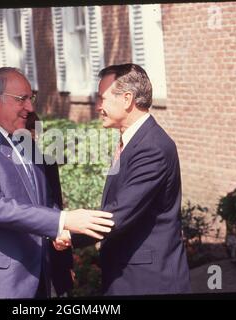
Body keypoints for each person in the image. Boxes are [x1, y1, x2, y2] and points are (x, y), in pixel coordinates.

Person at [0, 67, 113, 299]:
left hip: (34, 278)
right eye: (22, 99)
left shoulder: (23, 143)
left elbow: (42, 199)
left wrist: (62, 231)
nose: (30, 107)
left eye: (31, 99)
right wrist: (63, 220)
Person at [59, 63, 191, 295]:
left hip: (148, 281)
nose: (98, 106)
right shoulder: (134, 140)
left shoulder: (152, 147)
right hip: (130, 273)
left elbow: (121, 212)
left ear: (127, 99)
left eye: (103, 98)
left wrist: (68, 233)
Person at [26, 112, 74, 297]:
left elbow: (57, 209)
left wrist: (67, 264)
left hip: (51, 254)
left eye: (34, 133)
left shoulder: (47, 163)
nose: (32, 139)